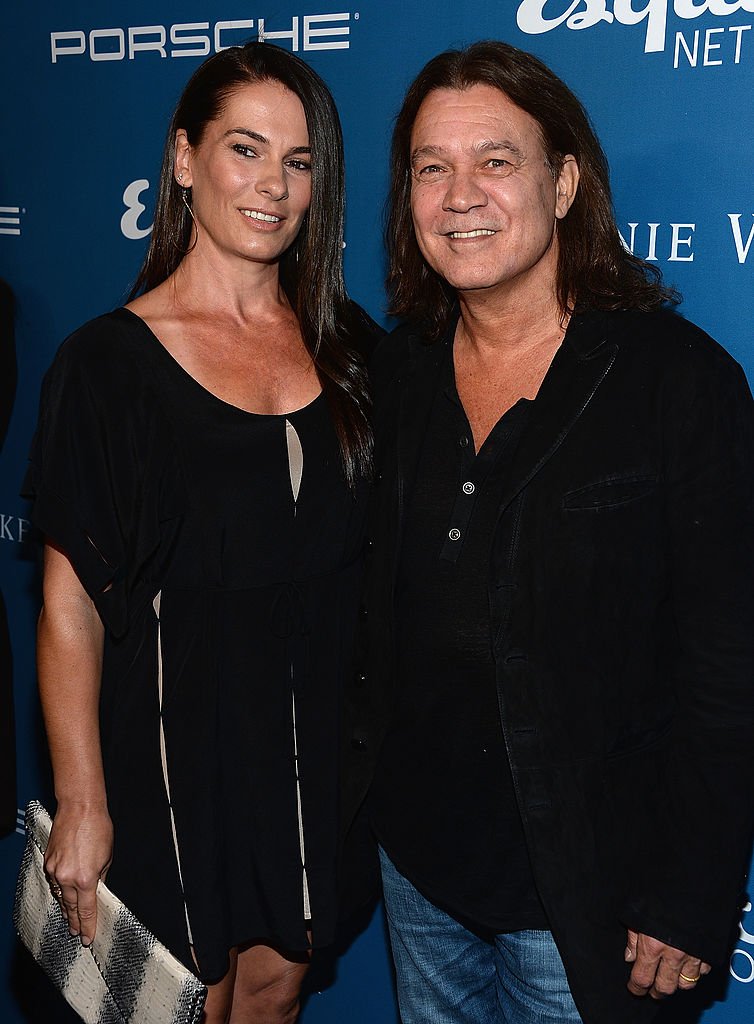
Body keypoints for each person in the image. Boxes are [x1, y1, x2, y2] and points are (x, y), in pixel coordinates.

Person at [341, 40, 754, 1024]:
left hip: (593, 895)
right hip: (421, 873)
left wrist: (694, 887)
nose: (458, 194)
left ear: (564, 181)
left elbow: (726, 660)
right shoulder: (393, 377)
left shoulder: (676, 383)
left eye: (494, 160)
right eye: (430, 168)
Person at [24, 41, 378, 1024]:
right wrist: (83, 802)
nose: (272, 184)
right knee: (187, 1003)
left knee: (274, 991)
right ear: (183, 160)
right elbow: (68, 605)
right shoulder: (107, 365)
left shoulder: (349, 349)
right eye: (244, 149)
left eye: (298, 161)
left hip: (309, 762)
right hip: (168, 757)